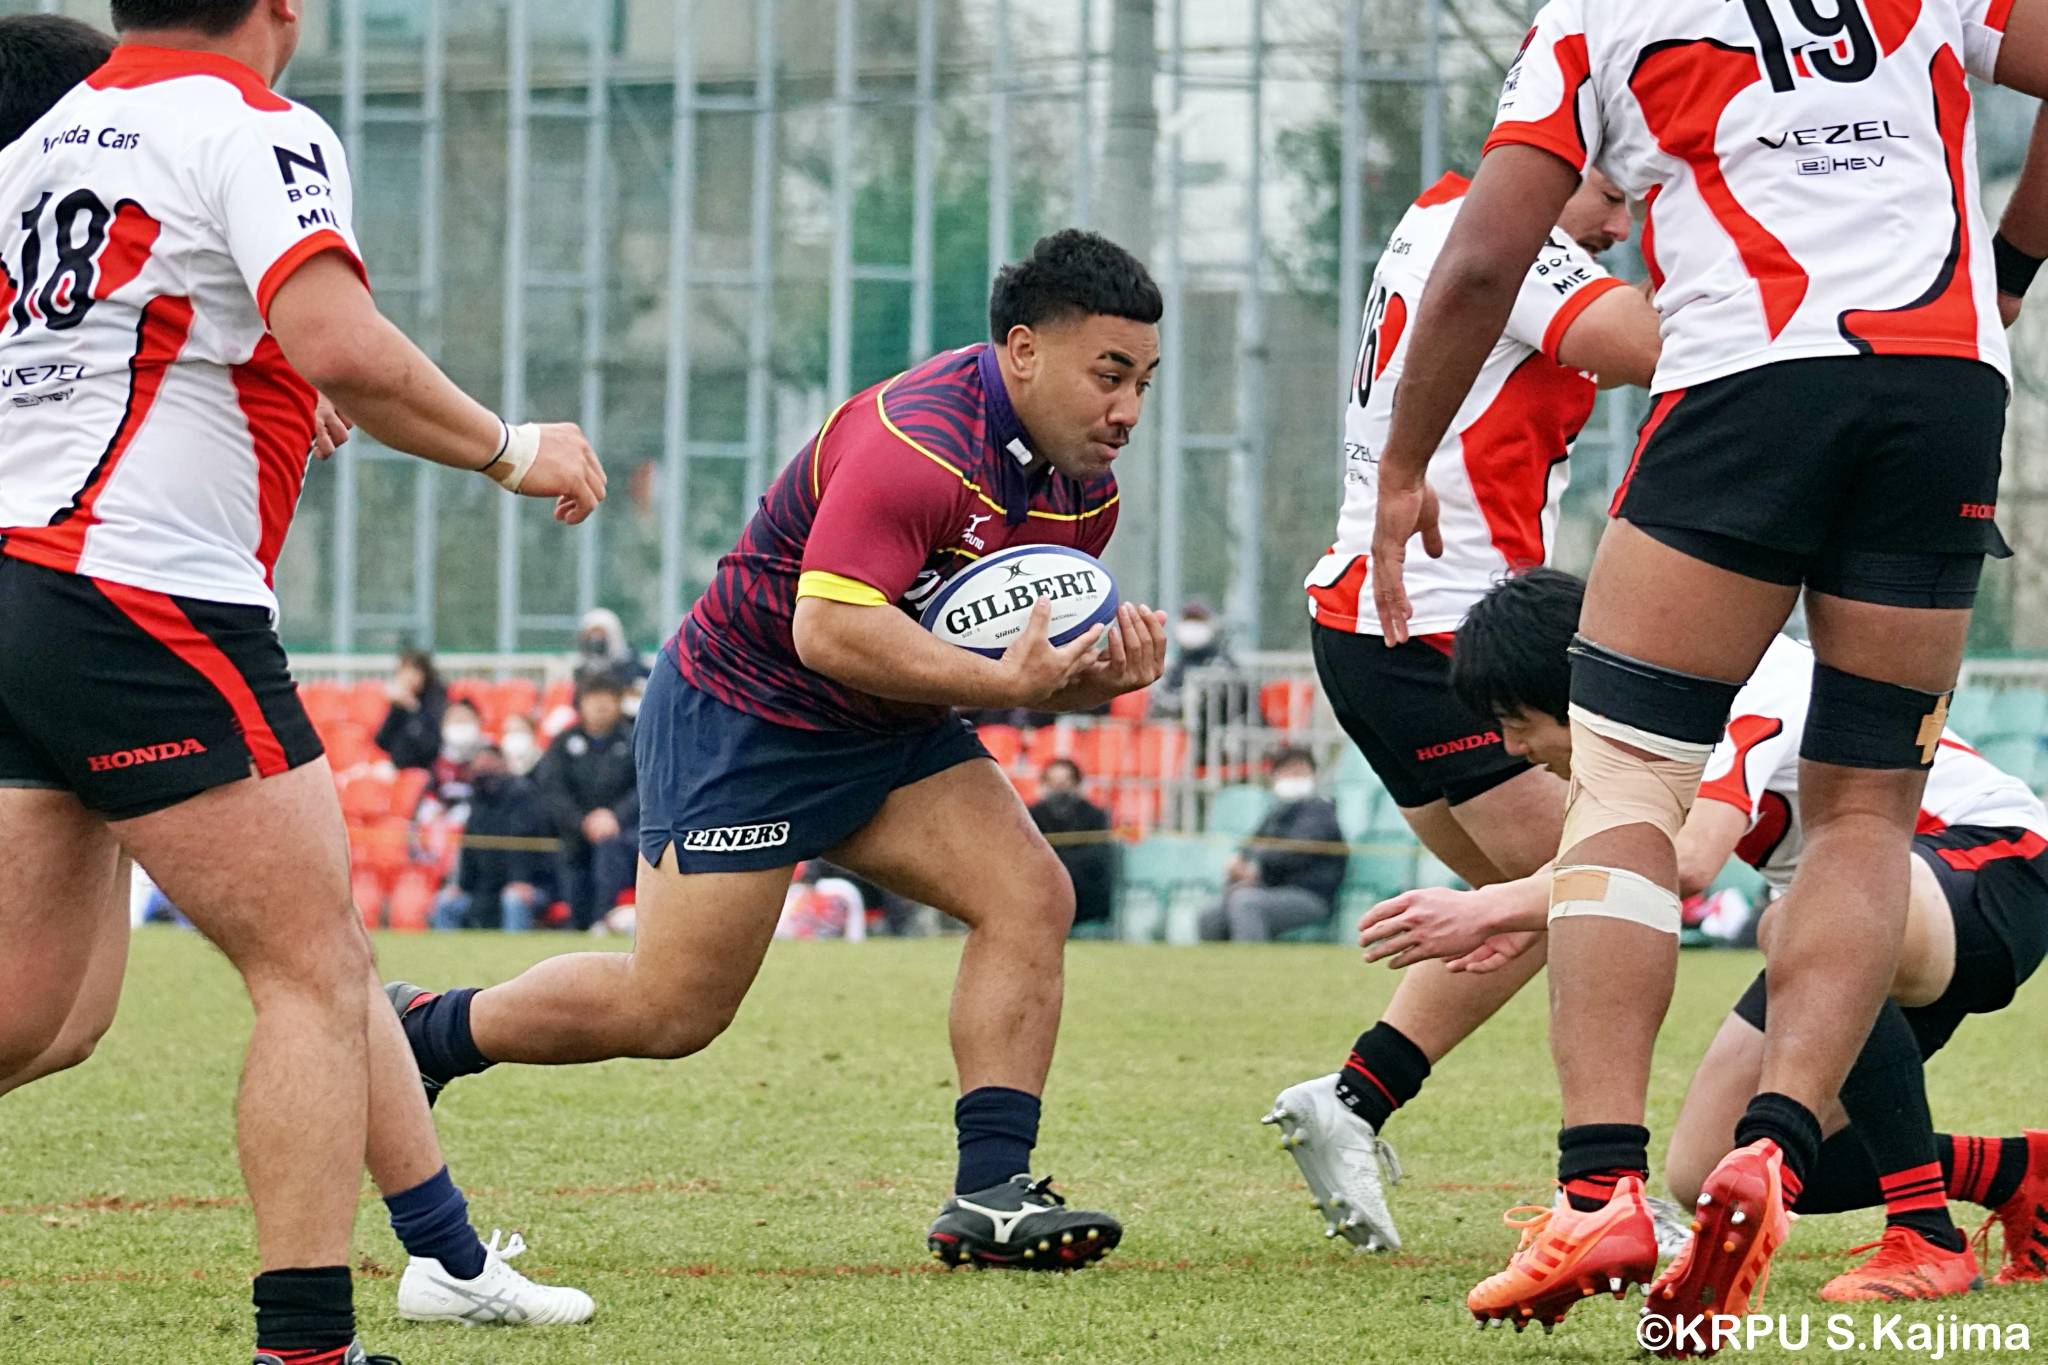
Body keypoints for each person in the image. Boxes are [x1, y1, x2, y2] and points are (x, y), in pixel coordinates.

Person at [1365, 0, 2048, 1343]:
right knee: (1865, 810)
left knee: (1625, 779)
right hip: (1944, 383)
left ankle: (1597, 1192)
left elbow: (1485, 256)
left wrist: (1401, 463)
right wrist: (2010, 265)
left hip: (1749, 372)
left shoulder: (1595, 14)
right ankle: (1775, 1151)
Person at [0, 6, 606, 1360]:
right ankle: (308, 1347)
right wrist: (517, 449)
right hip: (143, 598)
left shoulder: (39, 144)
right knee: (316, 975)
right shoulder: (251, 122)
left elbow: (93, 344)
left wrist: (255, 365)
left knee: (36, 1012)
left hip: (23, 585)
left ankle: (447, 1257)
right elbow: (342, 342)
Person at [389, 228, 1167, 1271]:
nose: (1127, 410)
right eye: (1108, 376)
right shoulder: (916, 443)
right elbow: (829, 630)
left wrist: (1094, 682)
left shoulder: (1083, 491)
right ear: (1022, 350)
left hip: (886, 725)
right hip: (748, 718)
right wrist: (1007, 688)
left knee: (1031, 895)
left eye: (1143, 383)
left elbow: (993, 658)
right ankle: (422, 1032)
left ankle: (989, 1193)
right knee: (672, 1011)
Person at [1357, 568, 2048, 1301]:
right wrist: (1526, 912)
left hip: (1999, 868)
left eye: (1515, 720)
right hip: (1865, 923)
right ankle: (2017, 1172)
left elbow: (1687, 861)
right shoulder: (1655, 713)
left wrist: (1494, 906)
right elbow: (1624, 858)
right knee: (1710, 1169)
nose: (1512, 745)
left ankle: (1925, 1236)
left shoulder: (1735, 682)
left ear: (1570, 686)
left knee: (1791, 920)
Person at [1265, 163, 1660, 1251]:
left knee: (1532, 907)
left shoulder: (1437, 210)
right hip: (1440, 630)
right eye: (1610, 195)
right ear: (1555, 160)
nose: (1621, 224)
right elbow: (1646, 345)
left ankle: (1353, 1100)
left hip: (1380, 620)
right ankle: (1606, 1191)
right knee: (1604, 888)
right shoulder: (1510, 238)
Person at [1197, 748, 1346, 942]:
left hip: (1310, 895)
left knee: (1246, 903)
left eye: (1299, 772)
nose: (1294, 778)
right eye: (1287, 772)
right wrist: (1239, 862)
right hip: (1270, 891)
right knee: (1210, 915)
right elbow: (1252, 845)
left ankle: (1252, 958)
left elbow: (1295, 851)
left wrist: (1256, 869)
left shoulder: (1320, 811)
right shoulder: (1277, 812)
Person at [534, 673, 638, 931]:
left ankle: (603, 920)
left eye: (608, 698)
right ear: (580, 703)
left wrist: (615, 817)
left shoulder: (635, 739)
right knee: (575, 899)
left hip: (624, 833)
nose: (601, 705)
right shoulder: (562, 743)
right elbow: (553, 790)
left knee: (612, 853)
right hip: (575, 834)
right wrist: (582, 821)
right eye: (594, 698)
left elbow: (645, 786)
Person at [432, 745, 552, 932]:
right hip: (482, 890)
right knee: (446, 902)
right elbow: (469, 846)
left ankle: (516, 948)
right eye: (479, 764)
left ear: (503, 763)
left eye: (489, 763)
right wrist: (460, 885)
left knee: (514, 900)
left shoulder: (524, 795)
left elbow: (524, 844)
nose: (483, 769)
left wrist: (521, 881)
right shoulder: (476, 800)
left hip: (533, 884)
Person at [1027, 759, 1116, 931]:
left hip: (1085, 893)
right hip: (1043, 891)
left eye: (1065, 781)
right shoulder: (1030, 815)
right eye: (1053, 782)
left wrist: (1062, 866)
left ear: (1076, 783)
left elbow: (1099, 855)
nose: (1059, 788)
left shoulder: (1095, 815)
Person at [374, 647, 446, 771]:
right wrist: (397, 708)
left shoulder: (435, 699)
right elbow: (382, 742)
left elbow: (429, 745)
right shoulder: (399, 702)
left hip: (426, 768)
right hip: (396, 766)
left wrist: (413, 708)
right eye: (404, 672)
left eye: (414, 672)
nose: (408, 678)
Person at [573, 607, 647, 691]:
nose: (594, 638)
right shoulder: (581, 670)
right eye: (590, 634)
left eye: (600, 633)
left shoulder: (631, 666)